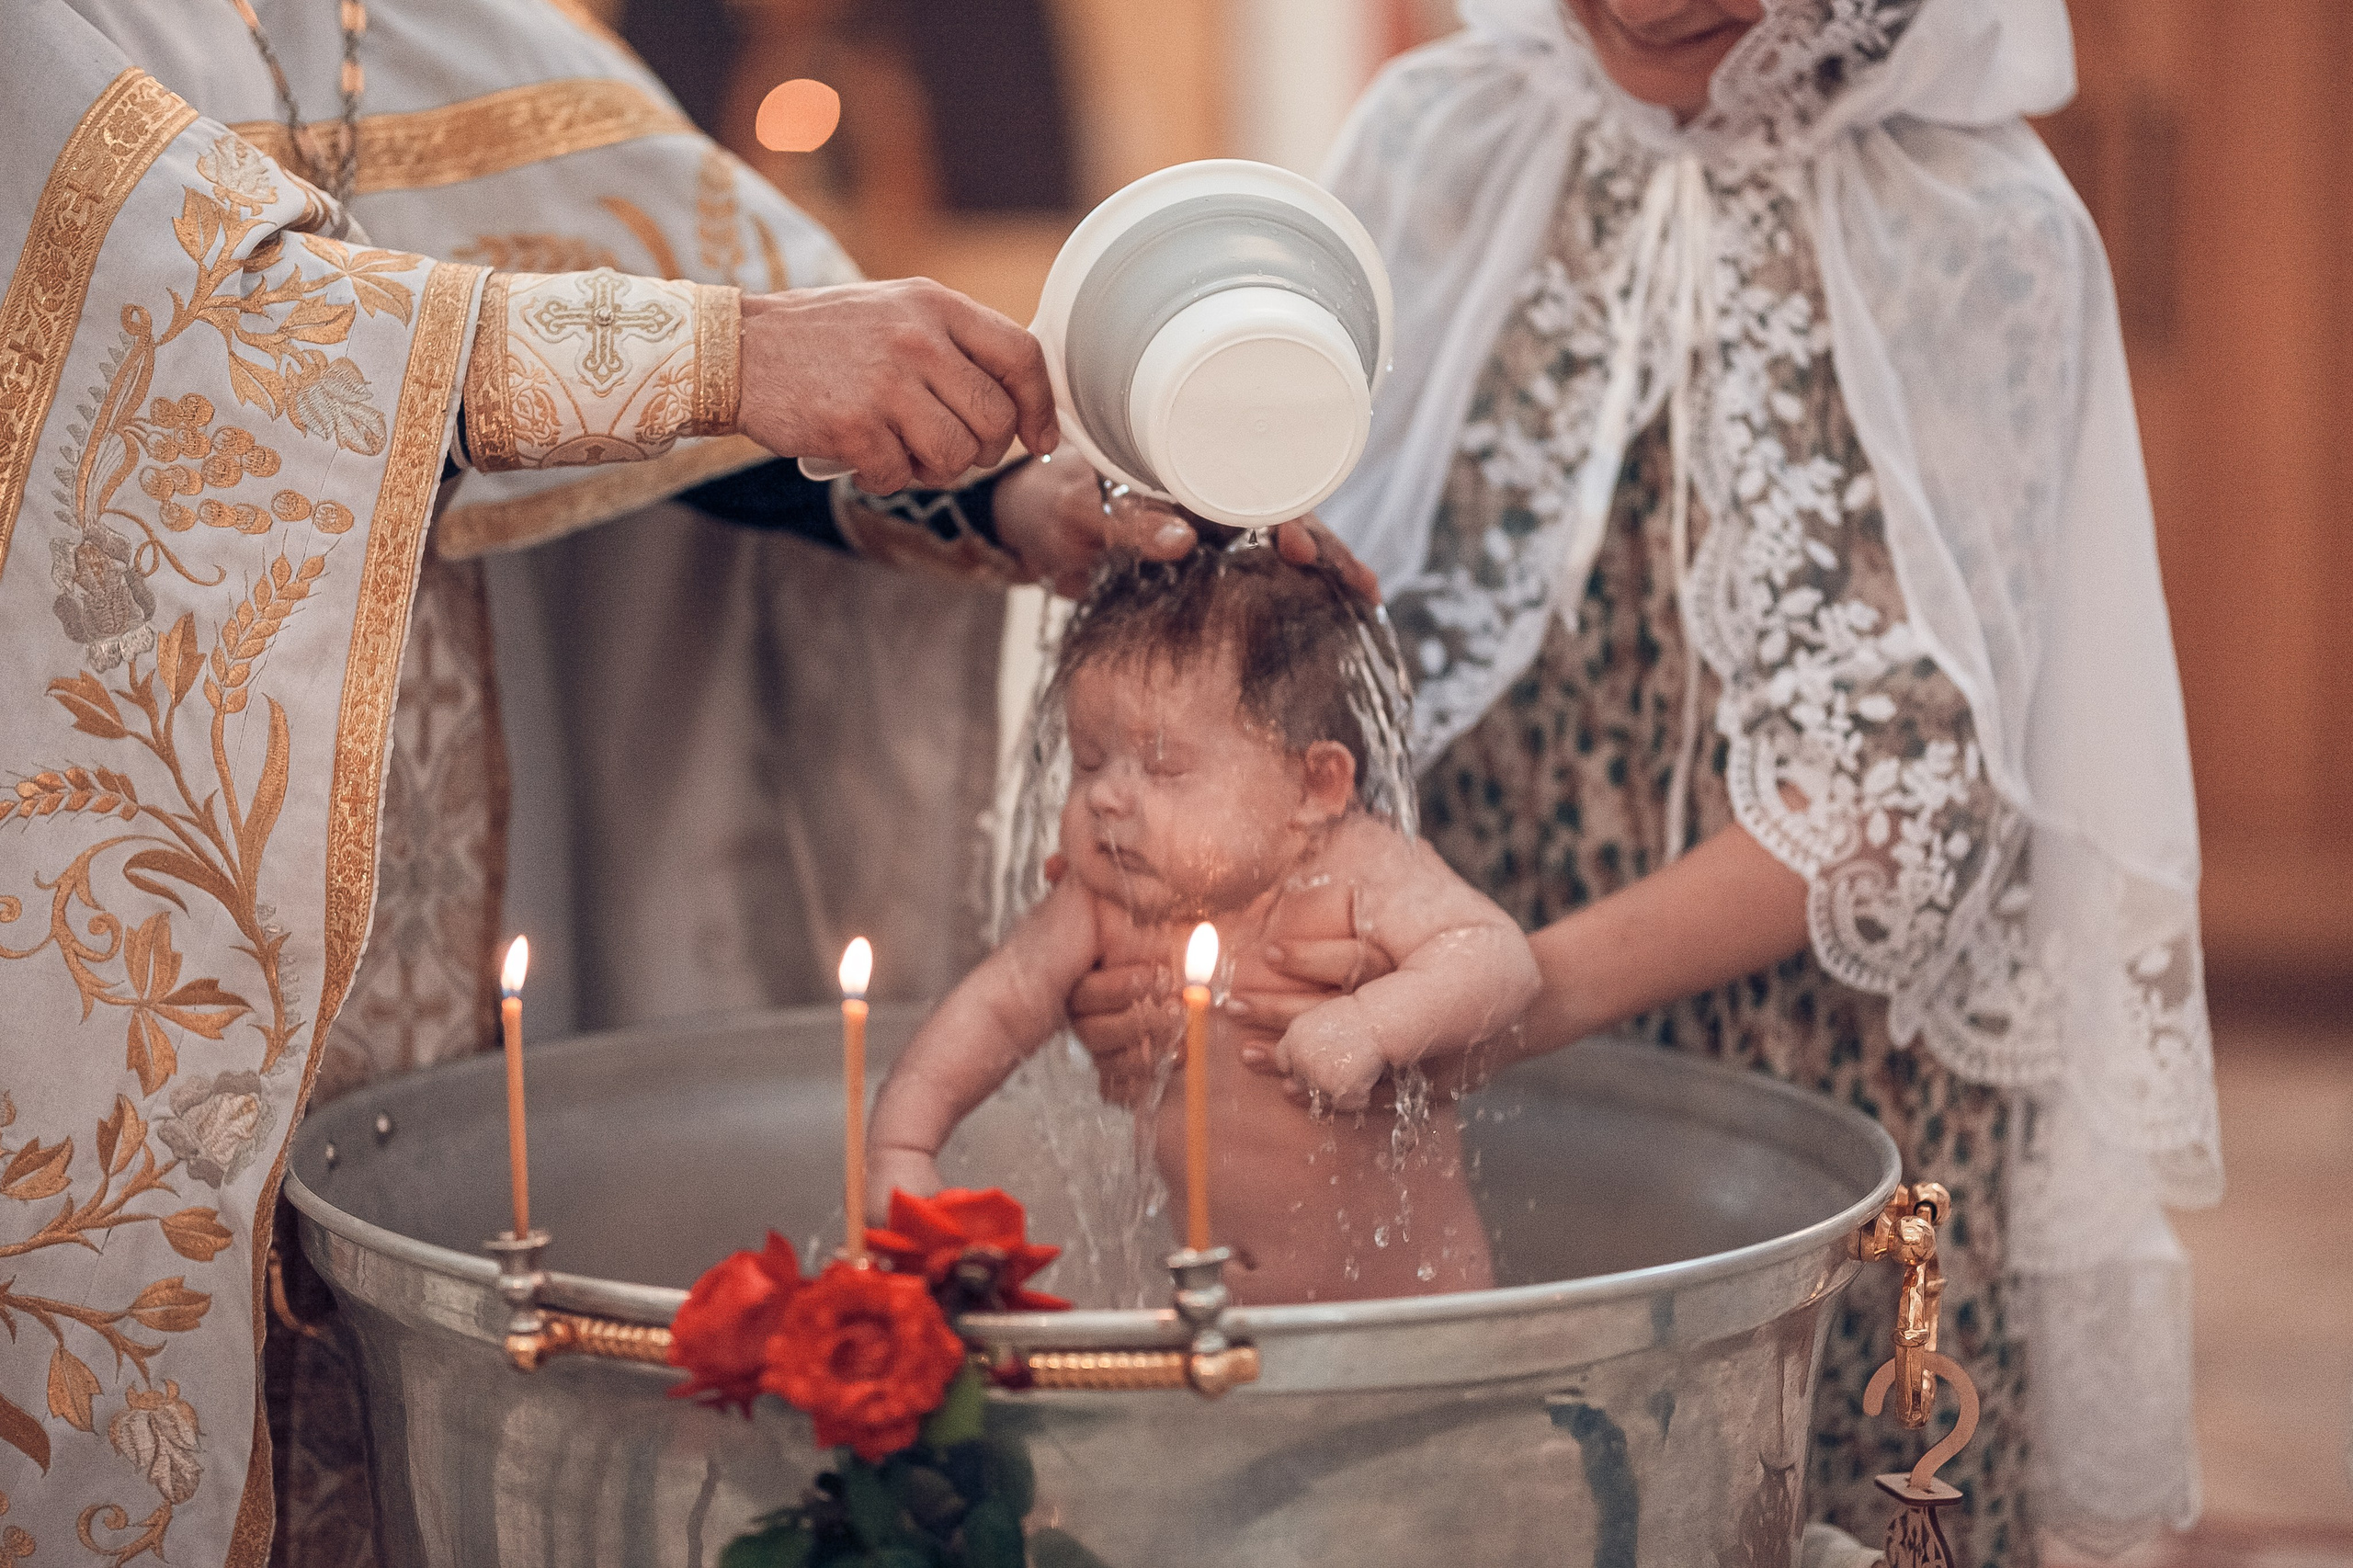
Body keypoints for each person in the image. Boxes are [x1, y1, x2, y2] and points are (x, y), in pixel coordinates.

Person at [0, 4, 1384, 1560]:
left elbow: (685, 340)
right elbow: (190, 342)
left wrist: (996, 490)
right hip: (129, 946)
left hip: (452, 898)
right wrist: (726, 352)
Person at [1071, 1, 2221, 1563]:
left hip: (1813, 1070)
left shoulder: (1980, 231)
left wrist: (1490, 1004)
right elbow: (1265, 636)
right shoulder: (1439, 143)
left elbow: (1898, 801)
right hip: (1410, 1041)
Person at [869, 548, 1537, 1303]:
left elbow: (1496, 958)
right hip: (1219, 1315)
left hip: (1413, 1312)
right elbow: (993, 1008)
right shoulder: (1105, 899)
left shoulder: (1362, 867)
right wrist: (902, 1149)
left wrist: (1373, 1025)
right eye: (1089, 762)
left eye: (1163, 770)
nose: (1108, 799)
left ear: (1314, 786)